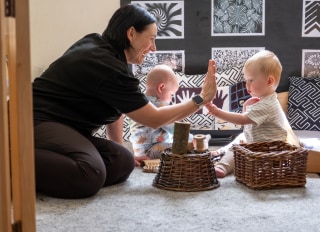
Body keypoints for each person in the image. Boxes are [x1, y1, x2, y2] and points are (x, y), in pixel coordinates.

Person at [32, 4, 217, 199]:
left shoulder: (104, 52)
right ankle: (11, 164)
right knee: (90, 174)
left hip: (67, 128)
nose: (154, 48)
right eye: (151, 39)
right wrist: (200, 99)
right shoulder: (105, 64)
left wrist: (117, 148)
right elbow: (153, 119)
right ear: (131, 34)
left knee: (122, 161)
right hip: (36, 121)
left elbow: (118, 107)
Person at [206, 50, 300, 178]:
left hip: (267, 150)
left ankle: (222, 166)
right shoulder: (267, 100)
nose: (246, 85)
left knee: (236, 148)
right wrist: (246, 106)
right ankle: (220, 152)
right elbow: (250, 124)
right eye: (246, 80)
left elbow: (242, 120)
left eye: (251, 80)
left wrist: (217, 112)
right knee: (240, 138)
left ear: (269, 82)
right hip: (259, 143)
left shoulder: (266, 105)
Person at [129, 64, 194, 166]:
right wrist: (191, 139)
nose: (171, 98)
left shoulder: (140, 103)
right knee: (184, 149)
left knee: (172, 142)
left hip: (139, 151)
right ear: (161, 87)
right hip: (151, 150)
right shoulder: (158, 105)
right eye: (171, 94)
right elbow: (174, 128)